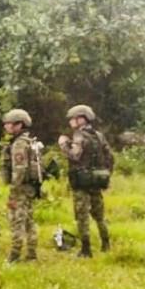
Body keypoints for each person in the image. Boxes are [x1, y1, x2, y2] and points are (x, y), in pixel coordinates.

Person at [57, 104, 113, 257]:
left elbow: (75, 155)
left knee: (82, 216)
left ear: (81, 119)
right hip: (96, 179)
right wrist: (105, 173)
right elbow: (109, 157)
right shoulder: (99, 136)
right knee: (99, 214)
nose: (70, 122)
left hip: (82, 181)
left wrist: (63, 144)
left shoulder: (79, 135)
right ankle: (106, 244)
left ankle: (86, 250)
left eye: (73, 119)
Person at [1, 109, 40, 263]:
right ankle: (31, 254)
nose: (6, 127)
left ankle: (14, 254)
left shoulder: (19, 144)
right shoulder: (28, 141)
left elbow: (19, 169)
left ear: (18, 125)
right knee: (29, 221)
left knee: (16, 221)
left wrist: (13, 192)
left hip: (21, 188)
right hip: (29, 188)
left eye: (9, 124)